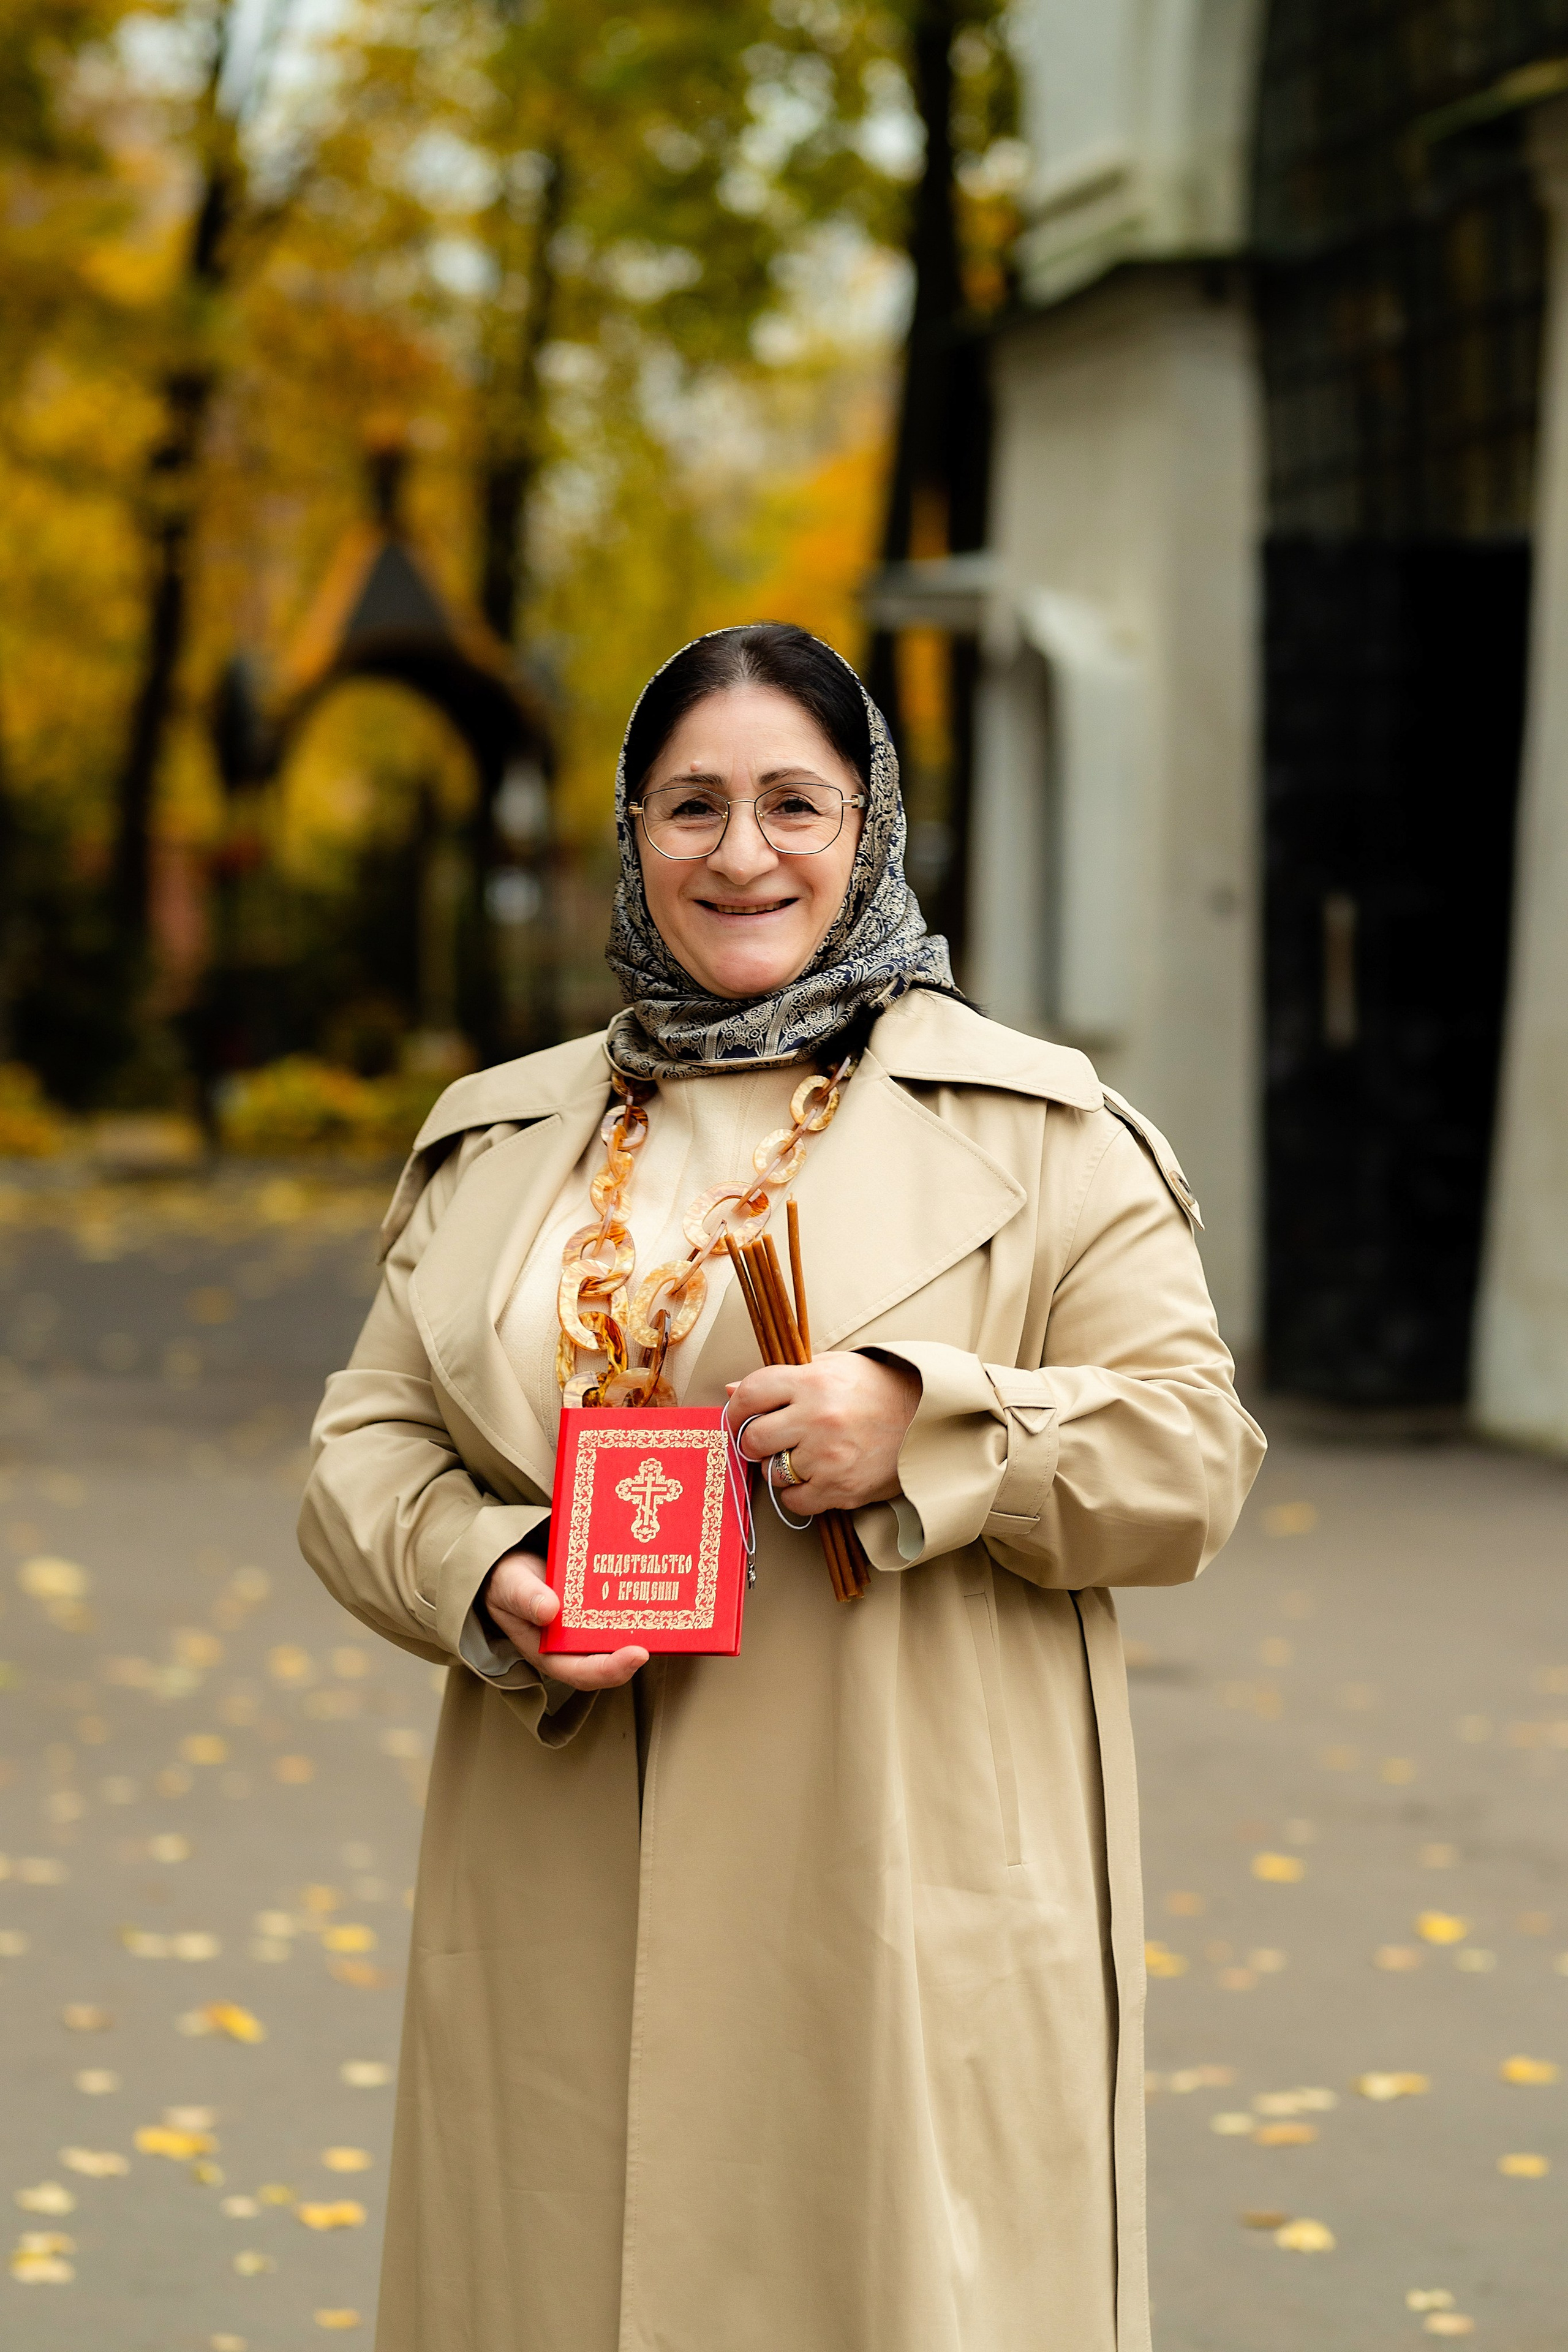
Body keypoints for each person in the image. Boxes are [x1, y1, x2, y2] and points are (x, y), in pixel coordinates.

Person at [298, 622, 1265, 2352]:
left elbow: (1190, 1454)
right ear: (634, 834)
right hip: (561, 1871)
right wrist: (489, 1571)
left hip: (894, 1880)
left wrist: (931, 1424)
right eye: (692, 805)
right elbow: (364, 1447)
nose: (741, 852)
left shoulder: (1041, 1129)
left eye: (794, 804)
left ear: (869, 824)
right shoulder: (500, 1139)